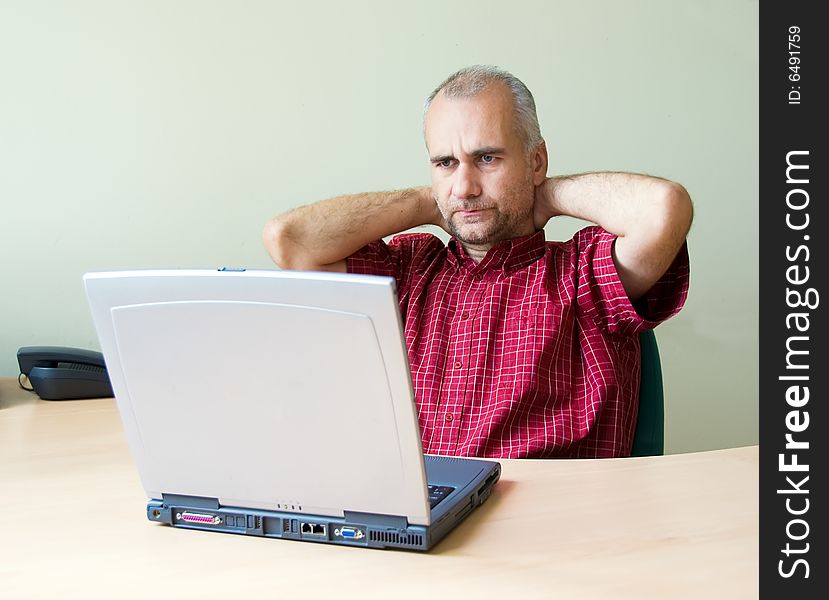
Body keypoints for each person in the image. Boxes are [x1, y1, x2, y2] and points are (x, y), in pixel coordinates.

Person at [263, 65, 692, 459]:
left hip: (552, 526)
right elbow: (290, 241)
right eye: (445, 163)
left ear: (537, 159)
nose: (465, 186)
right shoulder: (408, 269)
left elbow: (664, 207)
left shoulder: (583, 273)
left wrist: (541, 193)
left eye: (487, 158)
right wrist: (431, 202)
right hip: (428, 525)